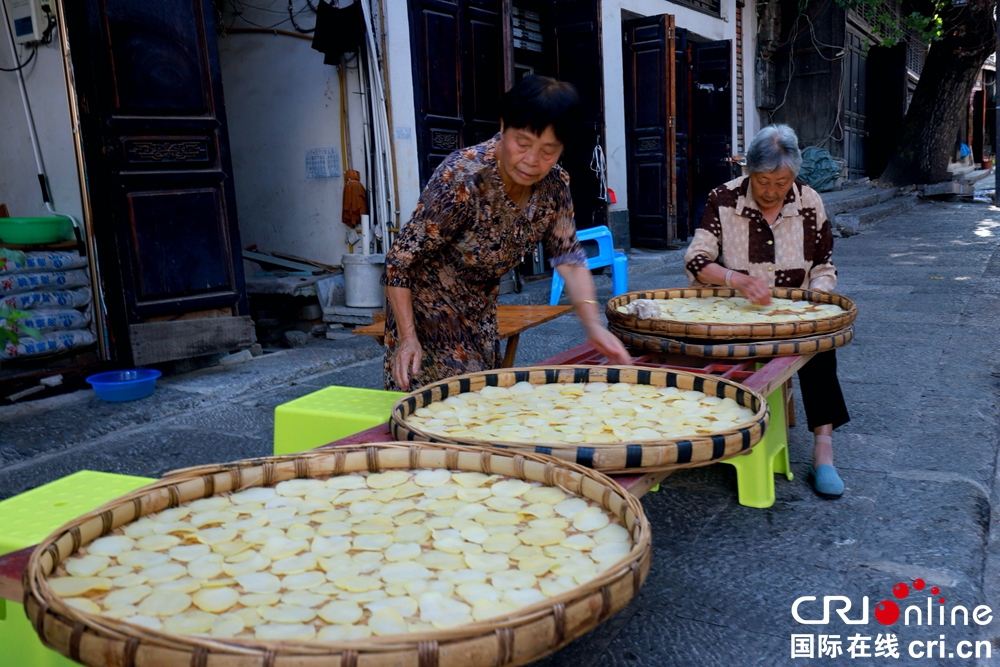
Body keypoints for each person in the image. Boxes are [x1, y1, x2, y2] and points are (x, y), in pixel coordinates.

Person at [381, 75, 631, 392]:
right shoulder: (464, 177)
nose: (531, 161)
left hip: (480, 310)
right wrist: (407, 338)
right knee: (440, 413)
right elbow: (399, 261)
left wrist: (593, 326)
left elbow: (569, 256)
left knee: (484, 402)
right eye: (522, 143)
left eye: (548, 150)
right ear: (503, 126)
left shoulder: (554, 185)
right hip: (424, 314)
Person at [683, 124, 850, 498]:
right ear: (748, 171)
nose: (772, 191)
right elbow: (696, 260)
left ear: (794, 176)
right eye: (763, 182)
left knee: (821, 342)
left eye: (782, 182)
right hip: (734, 313)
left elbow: (824, 266)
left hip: (790, 317)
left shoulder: (809, 202)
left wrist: (812, 301)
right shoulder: (723, 199)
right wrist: (734, 279)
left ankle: (823, 450)